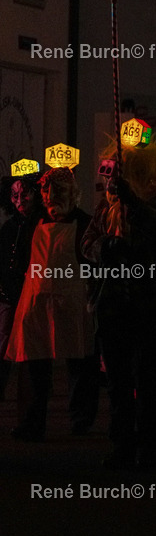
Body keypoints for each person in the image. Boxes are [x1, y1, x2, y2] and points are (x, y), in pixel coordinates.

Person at [83, 141, 156, 469]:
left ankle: (150, 447)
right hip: (112, 302)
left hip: (147, 301)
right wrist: (107, 247)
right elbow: (87, 243)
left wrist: (133, 203)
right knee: (118, 379)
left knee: (146, 377)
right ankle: (122, 443)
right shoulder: (107, 204)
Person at [5, 166, 99, 441]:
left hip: (73, 298)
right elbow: (22, 258)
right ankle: (33, 422)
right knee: (35, 364)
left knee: (80, 362)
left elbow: (94, 263)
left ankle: (81, 421)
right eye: (46, 190)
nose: (50, 196)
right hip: (36, 299)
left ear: (71, 192)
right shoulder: (33, 222)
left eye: (57, 190)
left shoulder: (84, 223)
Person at [0, 171, 44, 401]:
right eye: (14, 195)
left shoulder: (42, 225)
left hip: (33, 296)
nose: (19, 200)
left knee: (32, 353)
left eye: (24, 195)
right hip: (8, 294)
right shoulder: (9, 227)